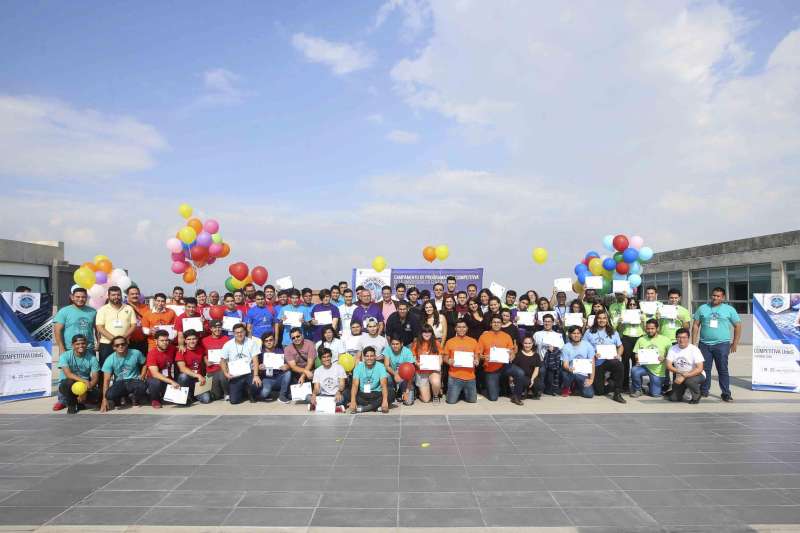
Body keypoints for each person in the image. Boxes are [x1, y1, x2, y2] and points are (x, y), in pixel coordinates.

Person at [692, 287, 741, 401]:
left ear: (723, 297)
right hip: (704, 344)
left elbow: (738, 326)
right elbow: (695, 325)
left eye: (718, 296)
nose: (715, 298)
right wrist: (693, 343)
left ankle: (725, 393)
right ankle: (704, 390)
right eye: (714, 295)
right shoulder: (702, 308)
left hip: (722, 344)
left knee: (722, 369)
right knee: (705, 369)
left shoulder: (729, 309)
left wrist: (735, 343)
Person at [479, 316, 525, 404]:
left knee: (520, 373)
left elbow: (511, 351)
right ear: (491, 324)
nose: (496, 324)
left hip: (505, 366)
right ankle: (490, 387)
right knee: (493, 398)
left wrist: (512, 356)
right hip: (491, 369)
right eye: (494, 322)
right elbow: (479, 354)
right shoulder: (483, 337)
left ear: (501, 324)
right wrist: (484, 357)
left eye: (498, 322)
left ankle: (516, 396)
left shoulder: (507, 336)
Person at [583, 311, 626, 403]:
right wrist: (593, 354)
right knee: (599, 392)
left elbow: (620, 346)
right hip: (596, 363)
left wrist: (618, 355)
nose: (601, 320)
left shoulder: (613, 332)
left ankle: (617, 393)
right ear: (596, 319)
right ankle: (610, 383)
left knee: (619, 364)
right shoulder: (589, 332)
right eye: (599, 318)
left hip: (610, 360)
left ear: (607, 320)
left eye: (604, 318)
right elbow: (583, 347)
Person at [96, 286, 138, 376]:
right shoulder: (102, 310)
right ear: (108, 296)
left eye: (118, 295)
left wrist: (122, 339)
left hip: (124, 344)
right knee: (105, 372)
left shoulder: (128, 308)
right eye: (113, 295)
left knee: (123, 370)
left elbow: (133, 325)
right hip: (107, 344)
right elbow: (100, 327)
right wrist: (115, 340)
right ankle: (104, 386)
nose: (116, 297)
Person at [100, 336, 147, 412]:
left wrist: (142, 375)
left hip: (134, 380)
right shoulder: (109, 359)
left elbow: (145, 363)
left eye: (123, 344)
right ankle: (122, 397)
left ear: (127, 344)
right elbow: (106, 380)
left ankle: (135, 398)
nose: (120, 346)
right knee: (109, 395)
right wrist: (104, 399)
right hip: (120, 382)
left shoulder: (136, 353)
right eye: (117, 345)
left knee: (143, 386)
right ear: (113, 347)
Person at [56, 334, 100, 414]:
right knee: (68, 383)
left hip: (84, 386)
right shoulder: (65, 356)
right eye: (77, 344)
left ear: (86, 344)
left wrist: (84, 391)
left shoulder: (92, 358)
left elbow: (95, 378)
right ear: (72, 345)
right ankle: (72, 404)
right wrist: (84, 381)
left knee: (97, 395)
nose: (81, 346)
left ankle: (81, 402)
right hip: (68, 384)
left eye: (83, 343)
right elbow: (68, 374)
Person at [220, 323, 260, 405]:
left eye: (241, 332)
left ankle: (250, 393)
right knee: (234, 401)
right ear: (233, 334)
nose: (239, 334)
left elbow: (255, 360)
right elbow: (222, 360)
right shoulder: (228, 345)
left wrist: (256, 375)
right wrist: (226, 373)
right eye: (237, 332)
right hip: (235, 375)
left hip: (249, 373)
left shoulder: (251, 343)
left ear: (245, 332)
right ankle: (243, 391)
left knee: (256, 385)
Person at [630, 319, 671, 398]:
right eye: (648, 328)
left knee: (655, 394)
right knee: (634, 370)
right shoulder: (641, 339)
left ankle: (651, 384)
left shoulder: (666, 340)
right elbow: (636, 353)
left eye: (652, 328)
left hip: (658, 371)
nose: (650, 331)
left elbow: (671, 355)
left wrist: (664, 358)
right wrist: (637, 359)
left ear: (657, 328)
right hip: (644, 367)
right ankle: (638, 389)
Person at [443, 319, 480, 404]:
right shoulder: (450, 342)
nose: (461, 329)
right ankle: (458, 392)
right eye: (459, 327)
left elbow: (477, 356)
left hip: (470, 377)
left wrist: (477, 360)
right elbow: (445, 357)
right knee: (451, 401)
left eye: (464, 327)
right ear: (455, 328)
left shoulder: (473, 341)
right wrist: (448, 361)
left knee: (472, 401)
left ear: (467, 328)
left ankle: (462, 392)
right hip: (454, 377)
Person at [54, 286, 97, 357]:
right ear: (72, 297)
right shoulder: (64, 311)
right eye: (78, 297)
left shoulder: (93, 311)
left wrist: (98, 343)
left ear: (86, 297)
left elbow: (97, 330)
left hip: (89, 349)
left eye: (83, 297)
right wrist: (61, 348)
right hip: (69, 350)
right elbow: (57, 331)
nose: (80, 299)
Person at [667, 328, 706, 404]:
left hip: (697, 374)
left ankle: (697, 395)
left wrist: (684, 376)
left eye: (684, 337)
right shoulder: (672, 349)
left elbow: (700, 368)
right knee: (673, 398)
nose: (681, 340)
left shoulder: (694, 349)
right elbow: (669, 366)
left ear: (688, 338)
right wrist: (680, 373)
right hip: (680, 374)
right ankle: (684, 390)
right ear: (676, 338)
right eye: (679, 337)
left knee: (689, 381)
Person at [251, 331, 291, 403]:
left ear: (274, 341)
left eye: (270, 340)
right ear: (263, 343)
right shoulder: (260, 354)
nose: (269, 342)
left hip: (279, 377)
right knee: (264, 394)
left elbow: (288, 364)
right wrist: (259, 368)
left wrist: (287, 366)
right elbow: (253, 367)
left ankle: (282, 396)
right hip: (267, 379)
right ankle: (263, 393)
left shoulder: (280, 351)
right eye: (266, 341)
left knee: (288, 373)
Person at [349, 346, 391, 413]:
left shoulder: (381, 366)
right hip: (363, 394)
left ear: (375, 357)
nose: (369, 358)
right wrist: (353, 401)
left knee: (391, 392)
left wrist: (385, 401)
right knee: (348, 392)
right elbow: (355, 385)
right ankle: (376, 407)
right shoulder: (358, 367)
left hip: (376, 393)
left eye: (371, 356)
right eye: (367, 356)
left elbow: (383, 385)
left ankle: (366, 408)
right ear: (363, 357)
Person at [145, 330, 179, 408]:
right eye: (162, 340)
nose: (165, 343)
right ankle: (155, 399)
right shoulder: (152, 353)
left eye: (166, 340)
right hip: (154, 379)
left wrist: (182, 346)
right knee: (155, 382)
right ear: (156, 341)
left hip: (167, 379)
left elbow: (179, 349)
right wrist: (172, 382)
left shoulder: (172, 348)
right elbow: (155, 374)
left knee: (178, 400)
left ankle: (164, 394)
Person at [176, 329, 210, 404]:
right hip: (187, 380)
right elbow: (182, 368)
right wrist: (198, 375)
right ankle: (185, 396)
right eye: (189, 339)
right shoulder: (181, 351)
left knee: (206, 399)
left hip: (198, 381)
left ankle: (192, 395)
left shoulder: (201, 350)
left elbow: (207, 362)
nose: (192, 341)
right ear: (185, 341)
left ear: (197, 339)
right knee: (183, 376)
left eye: (194, 339)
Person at [560, 326, 595, 398]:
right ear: (570, 335)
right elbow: (565, 364)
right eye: (574, 333)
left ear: (581, 335)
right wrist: (568, 368)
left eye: (578, 333)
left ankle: (576, 387)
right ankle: (566, 387)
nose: (576, 335)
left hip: (583, 374)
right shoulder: (566, 347)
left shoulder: (587, 345)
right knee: (566, 371)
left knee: (589, 394)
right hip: (570, 373)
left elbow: (592, 363)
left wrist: (591, 379)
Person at [411, 324, 443, 403]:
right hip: (421, 371)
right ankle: (421, 392)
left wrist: (439, 364)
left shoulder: (436, 343)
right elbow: (413, 357)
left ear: (432, 333)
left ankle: (435, 395)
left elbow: (440, 357)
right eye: (424, 332)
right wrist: (416, 363)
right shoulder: (416, 343)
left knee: (436, 382)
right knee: (426, 400)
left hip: (433, 370)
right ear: (421, 333)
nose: (427, 334)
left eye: (429, 332)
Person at [618, 298, 644, 392]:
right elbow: (619, 329)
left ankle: (637, 386)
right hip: (626, 338)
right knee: (625, 362)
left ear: (637, 306)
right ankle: (624, 385)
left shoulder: (642, 314)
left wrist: (643, 321)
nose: (632, 306)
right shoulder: (625, 314)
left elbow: (646, 329)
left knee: (637, 362)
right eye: (630, 304)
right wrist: (620, 322)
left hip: (638, 338)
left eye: (634, 304)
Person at [534, 314, 563, 395]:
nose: (547, 323)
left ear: (553, 322)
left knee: (551, 374)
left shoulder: (558, 335)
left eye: (549, 321)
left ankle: (549, 389)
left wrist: (554, 349)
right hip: (541, 359)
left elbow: (561, 348)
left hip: (553, 361)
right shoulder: (537, 334)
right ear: (543, 322)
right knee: (542, 370)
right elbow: (533, 346)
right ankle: (539, 389)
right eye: (545, 321)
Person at [310, 347, 347, 412]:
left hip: (336, 395)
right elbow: (316, 388)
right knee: (308, 397)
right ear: (320, 359)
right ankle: (336, 408)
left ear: (331, 357)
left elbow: (342, 385)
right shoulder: (317, 371)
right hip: (323, 395)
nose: (326, 359)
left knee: (341, 400)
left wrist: (339, 392)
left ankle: (319, 406)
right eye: (324, 357)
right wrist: (314, 394)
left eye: (328, 356)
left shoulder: (339, 368)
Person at [201, 319, 230, 402]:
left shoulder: (226, 339)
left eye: (219, 327)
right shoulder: (204, 340)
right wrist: (206, 361)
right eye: (214, 327)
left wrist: (227, 364)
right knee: (216, 396)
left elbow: (230, 354)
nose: (217, 329)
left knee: (222, 375)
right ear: (210, 329)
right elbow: (203, 354)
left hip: (223, 368)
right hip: (211, 370)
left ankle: (227, 393)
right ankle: (220, 392)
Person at [383, 337, 416, 405]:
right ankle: (392, 391)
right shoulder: (387, 349)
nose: (395, 346)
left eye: (397, 344)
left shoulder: (407, 352)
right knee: (386, 375)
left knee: (408, 402)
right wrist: (395, 374)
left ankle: (406, 390)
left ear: (401, 344)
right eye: (393, 344)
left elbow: (411, 373)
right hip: (393, 373)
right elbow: (386, 366)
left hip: (406, 377)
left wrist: (407, 391)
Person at [125, 286, 150, 355]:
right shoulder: (124, 308)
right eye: (132, 294)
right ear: (128, 295)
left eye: (137, 294)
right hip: (129, 342)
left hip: (144, 341)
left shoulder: (146, 307)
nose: (135, 296)